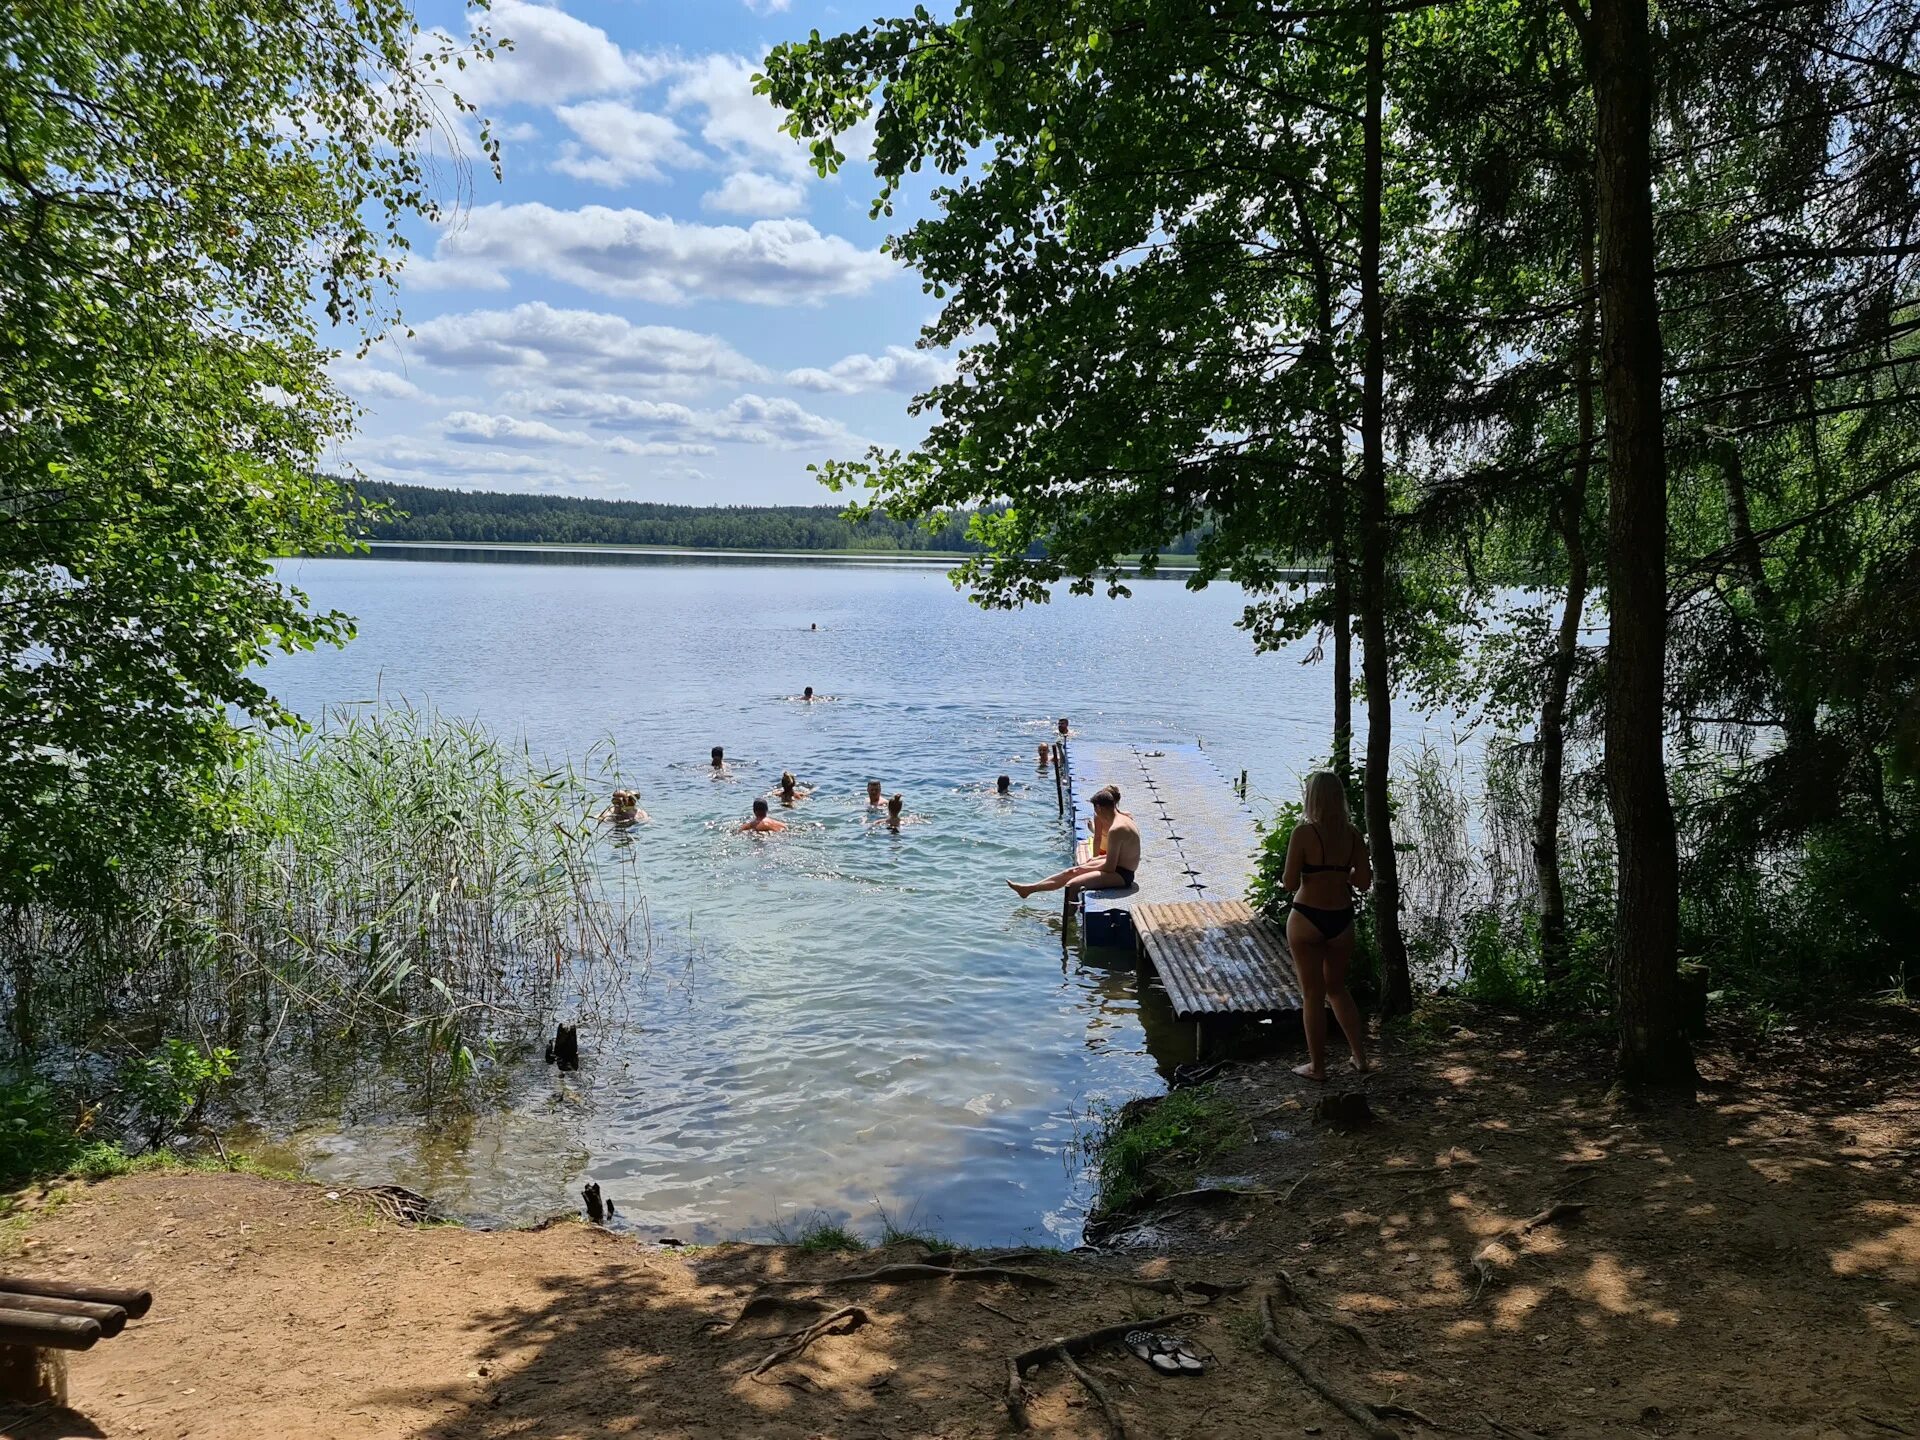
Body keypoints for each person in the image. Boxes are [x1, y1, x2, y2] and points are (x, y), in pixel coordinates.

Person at [1281, 770, 1375, 1080]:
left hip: (1307, 915)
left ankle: (1317, 1066)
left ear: (1312, 798)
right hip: (1341, 919)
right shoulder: (1352, 834)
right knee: (1336, 988)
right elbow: (1363, 883)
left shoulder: (1303, 834)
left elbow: (1290, 881)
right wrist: (1341, 874)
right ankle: (1360, 1058)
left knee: (1311, 992)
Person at [1007, 785, 1138, 898]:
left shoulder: (1116, 828)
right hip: (1117, 866)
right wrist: (1088, 864)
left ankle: (1067, 920)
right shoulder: (1122, 818)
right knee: (1071, 872)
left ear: (1099, 808)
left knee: (1072, 885)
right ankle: (1028, 889)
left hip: (1122, 875)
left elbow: (1110, 867)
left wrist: (1086, 868)